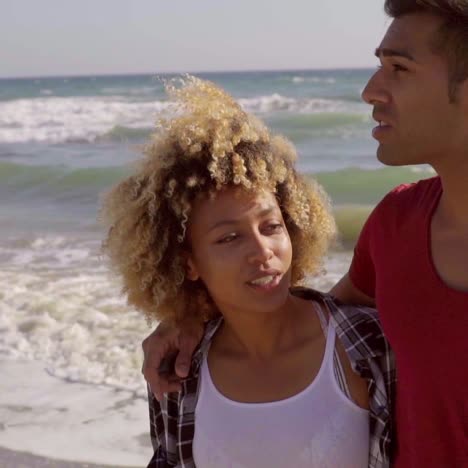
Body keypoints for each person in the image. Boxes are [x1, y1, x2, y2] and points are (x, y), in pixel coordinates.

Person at [141, 1, 468, 467]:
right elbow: (318, 318)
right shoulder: (397, 223)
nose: (370, 91)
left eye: (399, 68)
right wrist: (191, 314)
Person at [102, 78, 395, 467]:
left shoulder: (368, 347)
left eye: (271, 227)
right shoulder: (180, 373)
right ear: (187, 262)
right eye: (229, 239)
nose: (262, 252)